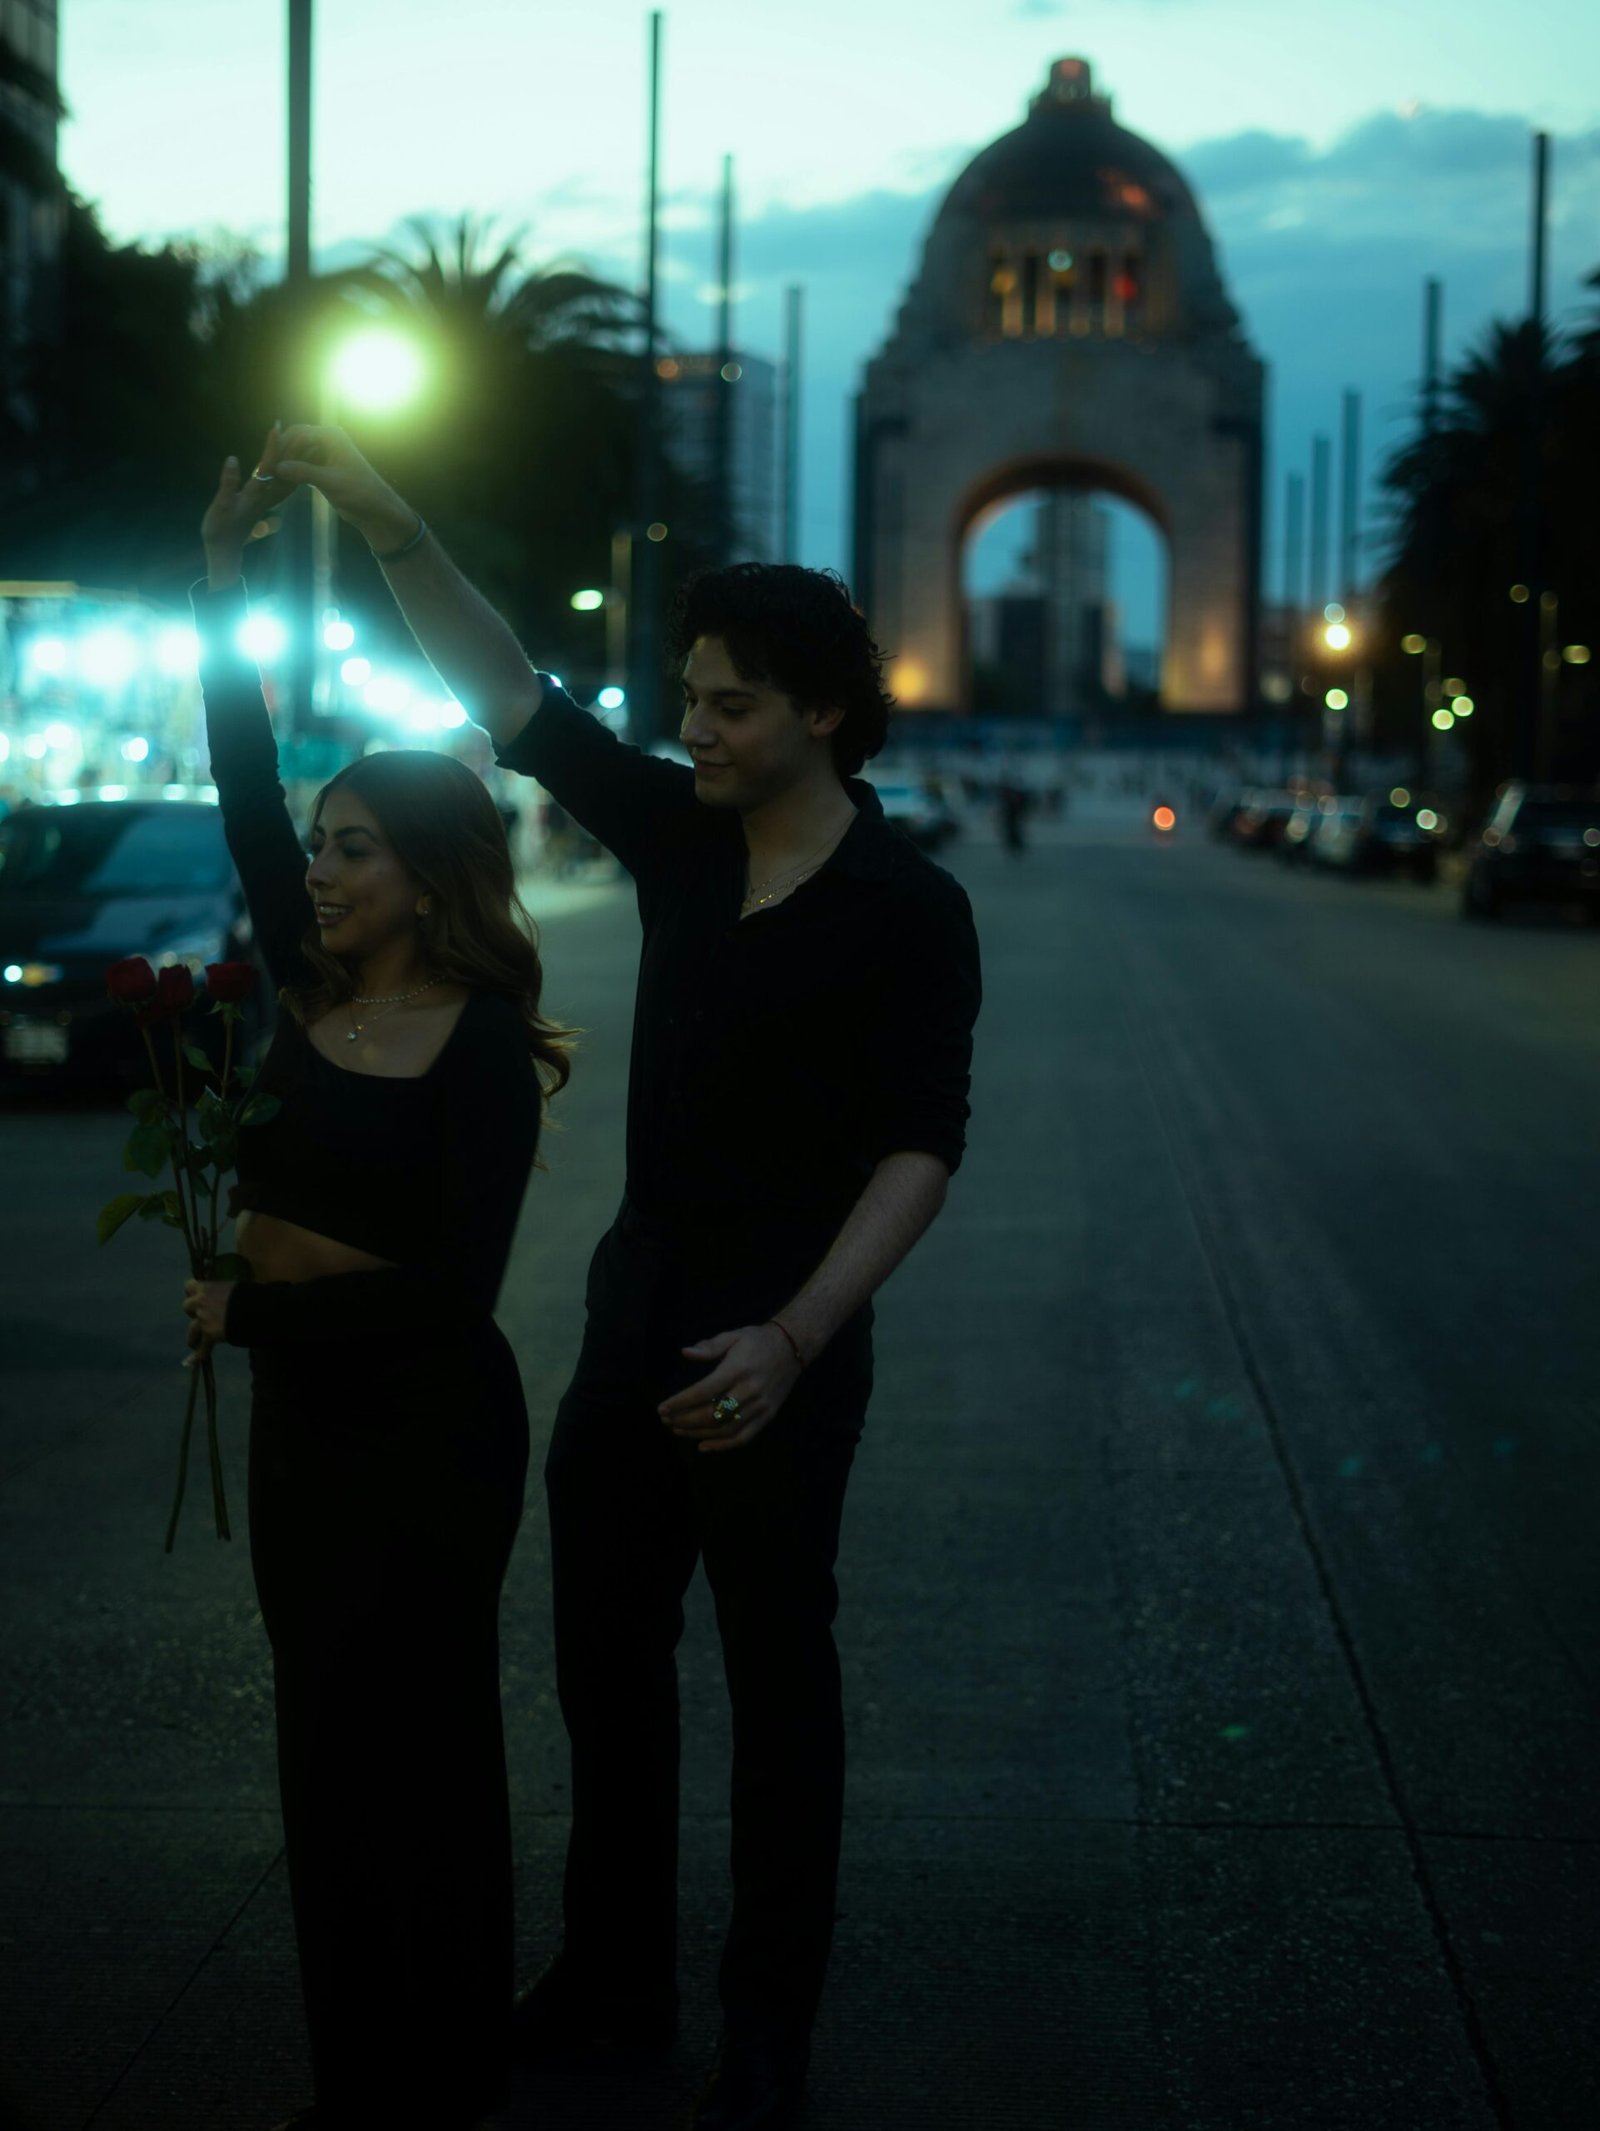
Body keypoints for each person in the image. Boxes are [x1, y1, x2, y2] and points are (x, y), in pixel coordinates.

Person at [253, 420, 983, 2131]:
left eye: (729, 703)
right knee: (604, 1663)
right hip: (636, 1318)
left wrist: (801, 1338)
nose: (698, 729)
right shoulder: (679, 837)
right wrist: (385, 522)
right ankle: (614, 1968)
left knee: (780, 1683)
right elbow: (512, 693)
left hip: (781, 1350)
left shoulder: (906, 905)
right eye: (695, 698)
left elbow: (921, 1147)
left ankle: (769, 2013)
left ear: (818, 711)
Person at [179, 438, 572, 2131]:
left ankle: (448, 2066)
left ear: (430, 872)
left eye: (355, 849)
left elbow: (447, 1296)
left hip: (426, 1435)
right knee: (320, 1757)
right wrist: (221, 582)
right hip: (300, 1432)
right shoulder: (299, 989)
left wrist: (246, 1309)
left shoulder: (480, 1052)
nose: (321, 870)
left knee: (424, 1751)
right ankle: (358, 2077)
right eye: (321, 847)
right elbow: (240, 775)